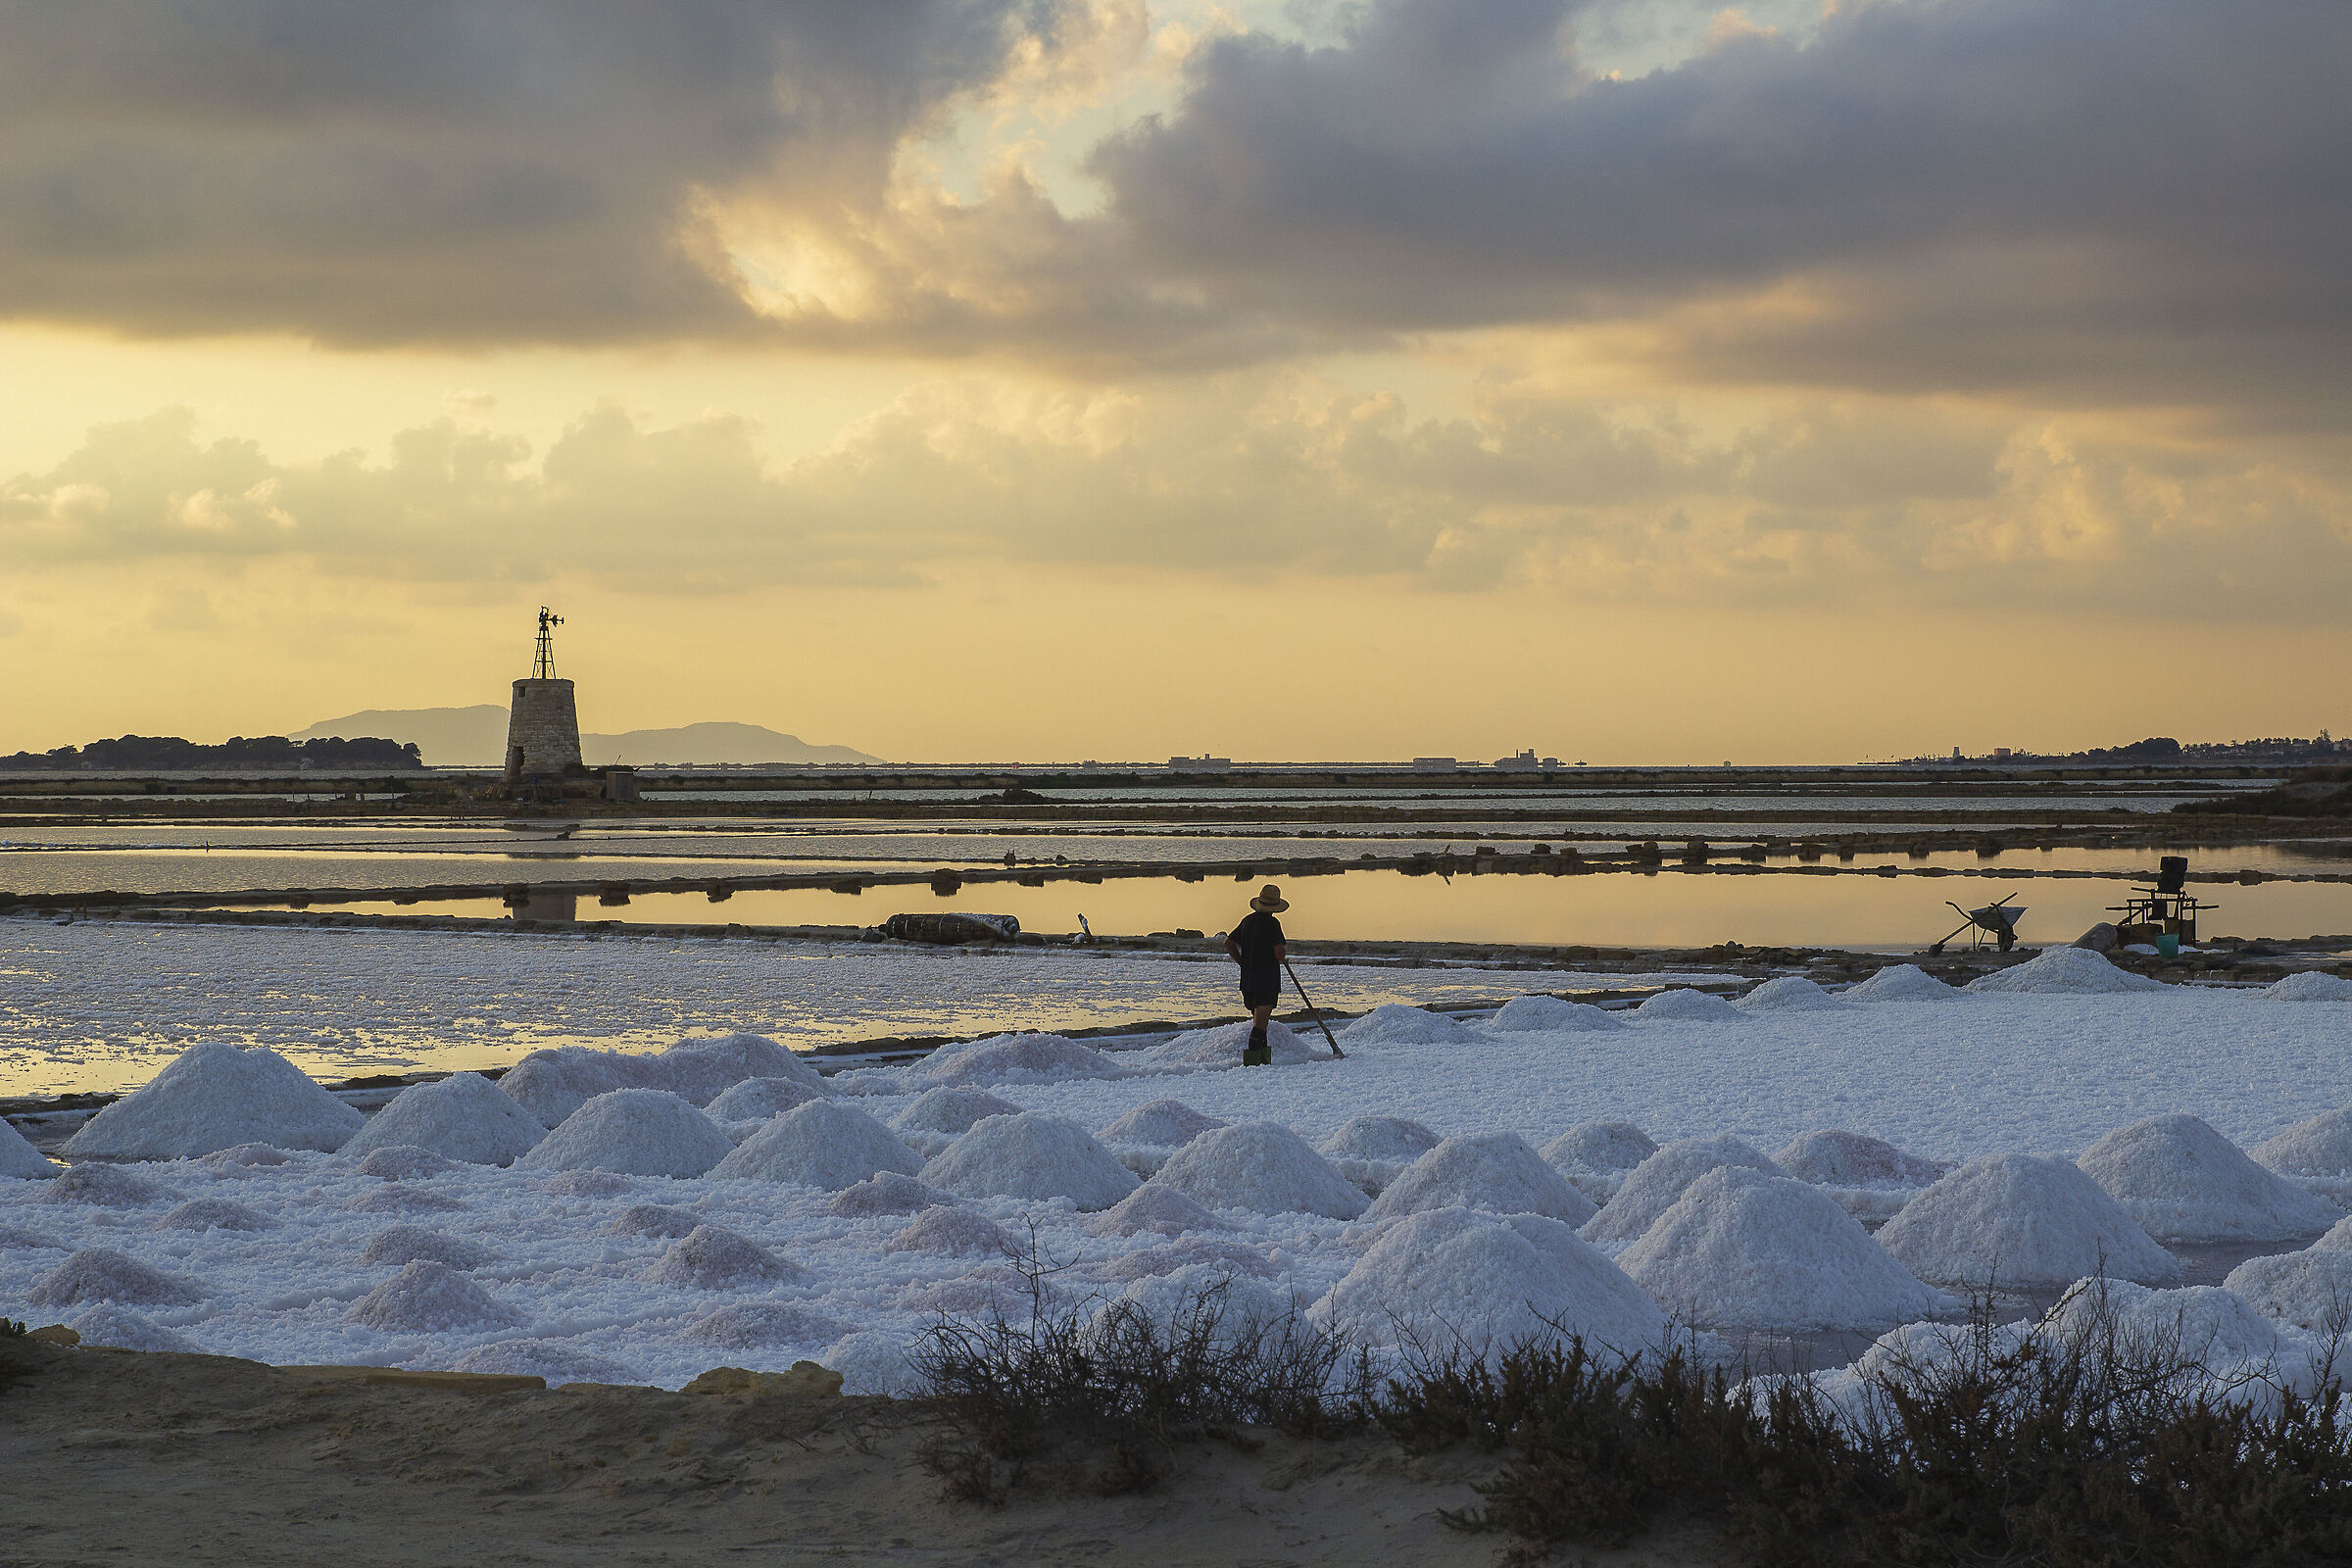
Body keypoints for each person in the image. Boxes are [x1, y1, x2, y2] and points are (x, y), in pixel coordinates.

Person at [1224, 883, 1289, 1066]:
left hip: (1248, 980)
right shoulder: (1272, 923)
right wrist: (1283, 956)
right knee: (1260, 1025)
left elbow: (1228, 943)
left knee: (1260, 1022)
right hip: (1266, 980)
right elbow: (1278, 952)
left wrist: (1242, 962)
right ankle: (1253, 1064)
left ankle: (1263, 1061)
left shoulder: (1247, 921)